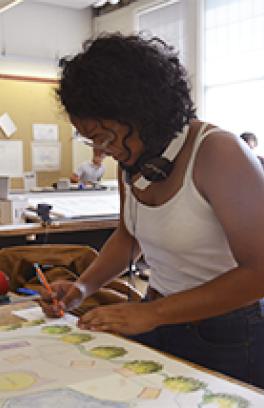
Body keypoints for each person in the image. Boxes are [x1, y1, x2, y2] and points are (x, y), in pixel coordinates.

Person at [40, 33, 264, 389]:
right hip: (156, 313)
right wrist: (83, 287)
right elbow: (129, 235)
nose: (102, 149)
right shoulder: (133, 158)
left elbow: (259, 273)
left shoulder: (219, 153)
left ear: (144, 112)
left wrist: (152, 314)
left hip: (226, 331)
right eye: (91, 140)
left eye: (106, 137)